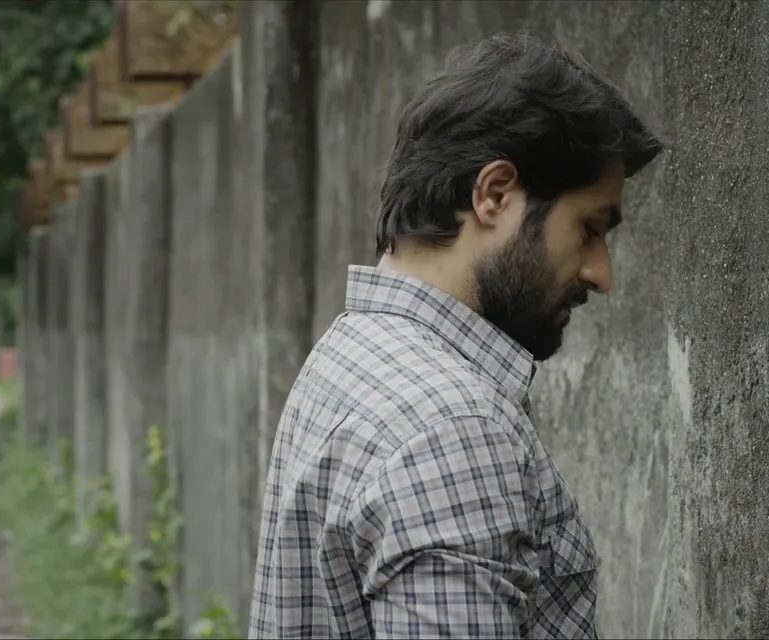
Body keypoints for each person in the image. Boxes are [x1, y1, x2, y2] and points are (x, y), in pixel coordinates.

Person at [250, 31, 663, 639]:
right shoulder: (452, 429)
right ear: (495, 195)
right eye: (589, 229)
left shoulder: (350, 352)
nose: (602, 275)